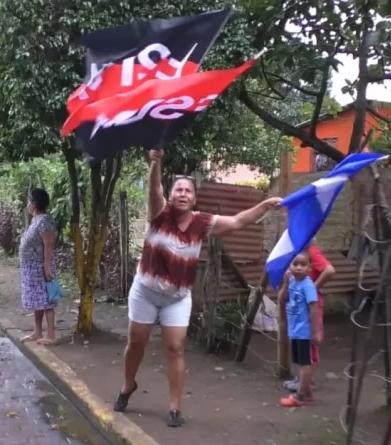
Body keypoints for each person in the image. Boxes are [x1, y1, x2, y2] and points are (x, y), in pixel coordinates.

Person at [113, 149, 281, 427]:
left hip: (177, 297)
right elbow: (154, 190)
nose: (182, 194)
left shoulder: (202, 222)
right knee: (137, 343)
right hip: (145, 291)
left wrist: (264, 205)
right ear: (171, 194)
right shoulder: (159, 214)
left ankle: (175, 406)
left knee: (176, 348)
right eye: (177, 189)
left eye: (188, 191)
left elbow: (238, 221)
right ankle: (128, 385)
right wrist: (155, 163)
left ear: (194, 197)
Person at [283, 240, 335, 393]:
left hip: (311, 306)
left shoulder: (311, 251)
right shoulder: (298, 250)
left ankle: (308, 384)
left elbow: (330, 270)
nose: (298, 267)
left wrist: (312, 288)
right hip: (299, 312)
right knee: (300, 348)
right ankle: (302, 380)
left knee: (309, 347)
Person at [278, 251, 320, 407]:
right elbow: (282, 299)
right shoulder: (293, 282)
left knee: (304, 363)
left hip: (303, 331)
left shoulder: (308, 285)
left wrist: (314, 332)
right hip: (294, 329)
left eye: (303, 265)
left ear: (310, 267)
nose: (298, 268)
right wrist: (286, 283)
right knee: (299, 362)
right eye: (295, 264)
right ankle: (307, 392)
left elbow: (314, 308)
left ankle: (300, 396)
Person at [18, 189, 58, 345]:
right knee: (37, 301)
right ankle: (37, 331)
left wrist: (47, 268)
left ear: (34, 204)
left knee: (47, 300)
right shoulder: (36, 220)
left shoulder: (45, 220)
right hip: (31, 270)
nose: (28, 205)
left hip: (41, 268)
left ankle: (51, 335)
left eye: (29, 201)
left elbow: (48, 245)